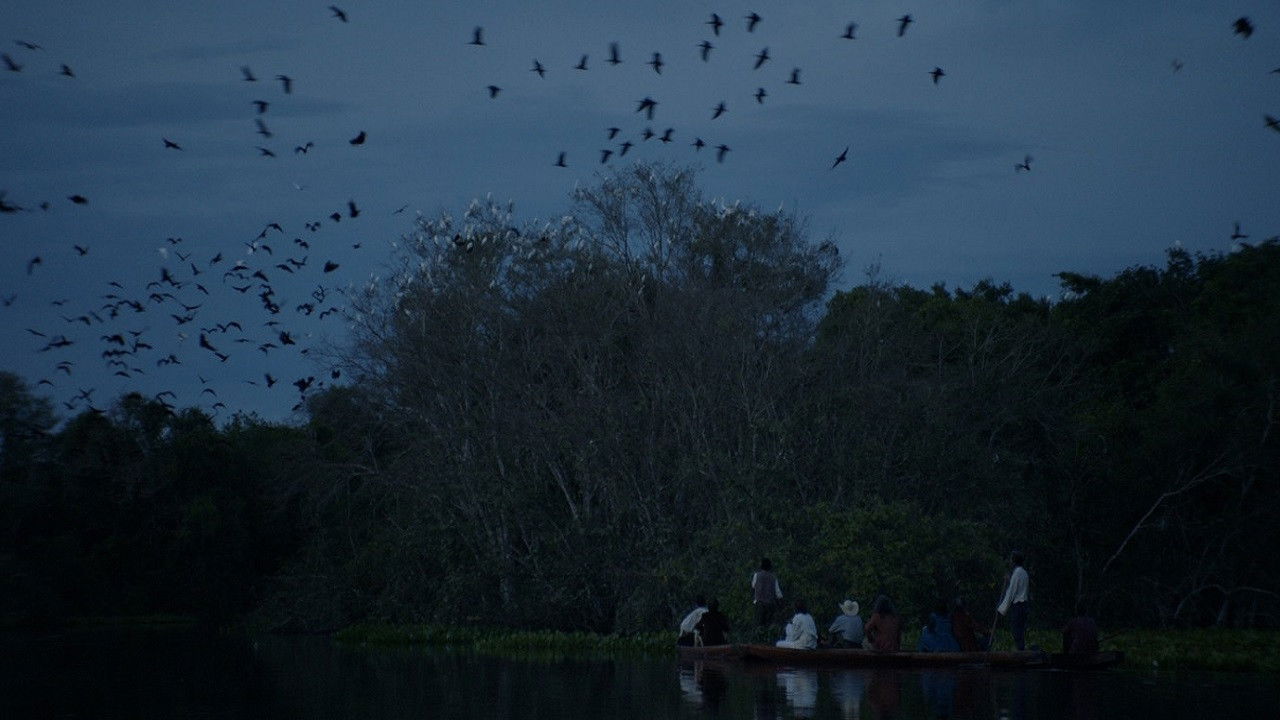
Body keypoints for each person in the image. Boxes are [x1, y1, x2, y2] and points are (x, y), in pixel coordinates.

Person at [997, 550, 1030, 650]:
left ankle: (1020, 653)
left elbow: (1012, 592)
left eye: (1011, 559)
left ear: (1014, 561)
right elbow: (1017, 586)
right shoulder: (1023, 572)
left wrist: (1001, 609)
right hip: (1023, 606)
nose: (1010, 562)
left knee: (1016, 631)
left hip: (1018, 606)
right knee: (1019, 630)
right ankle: (1021, 651)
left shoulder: (1018, 573)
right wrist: (1010, 580)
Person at [752, 557, 783, 627]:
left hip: (759, 603)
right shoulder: (773, 577)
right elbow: (778, 594)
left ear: (761, 566)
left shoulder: (757, 575)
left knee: (759, 624)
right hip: (769, 604)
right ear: (770, 567)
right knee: (768, 624)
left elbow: (753, 586)